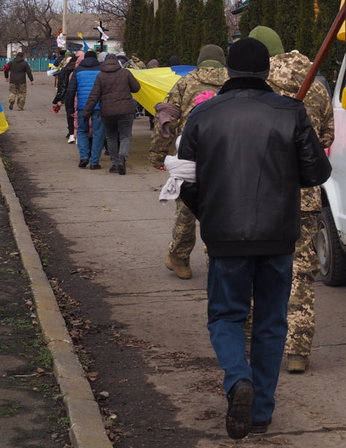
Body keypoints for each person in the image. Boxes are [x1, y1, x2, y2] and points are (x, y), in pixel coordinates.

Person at [177, 37, 330, 439]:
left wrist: (210, 212)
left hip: (224, 236)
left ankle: (237, 379)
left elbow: (184, 179)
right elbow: (318, 173)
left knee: (226, 316)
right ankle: (260, 412)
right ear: (266, 72)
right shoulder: (291, 112)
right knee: (270, 322)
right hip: (278, 235)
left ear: (228, 71)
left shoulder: (203, 114)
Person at [249, 26, 335, 374]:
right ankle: (298, 351)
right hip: (304, 195)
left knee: (254, 268)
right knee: (300, 272)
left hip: (260, 192)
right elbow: (327, 135)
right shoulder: (315, 82)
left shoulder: (255, 86)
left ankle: (255, 344)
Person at [151, 44, 228, 279]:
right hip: (225, 157)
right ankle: (216, 264)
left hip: (190, 156)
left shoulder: (185, 82)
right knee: (220, 211)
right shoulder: (234, 82)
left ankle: (179, 259)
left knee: (186, 210)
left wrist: (159, 154)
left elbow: (166, 120)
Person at [83, 54, 141, 175]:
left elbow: (94, 96)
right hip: (126, 111)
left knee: (111, 137)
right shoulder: (125, 73)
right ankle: (122, 158)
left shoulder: (100, 76)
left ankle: (115, 164)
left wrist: (86, 112)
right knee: (125, 135)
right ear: (117, 62)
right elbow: (136, 88)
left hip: (107, 113)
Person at [64, 51, 104, 169]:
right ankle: (94, 162)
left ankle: (83, 157)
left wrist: (70, 108)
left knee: (82, 131)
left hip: (82, 106)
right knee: (98, 133)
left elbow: (70, 91)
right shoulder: (101, 70)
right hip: (98, 107)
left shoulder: (78, 70)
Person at [53, 53, 79, 143]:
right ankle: (78, 135)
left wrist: (60, 98)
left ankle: (71, 134)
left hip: (68, 94)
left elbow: (62, 84)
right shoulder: (80, 70)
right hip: (79, 95)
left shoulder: (65, 69)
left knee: (70, 114)